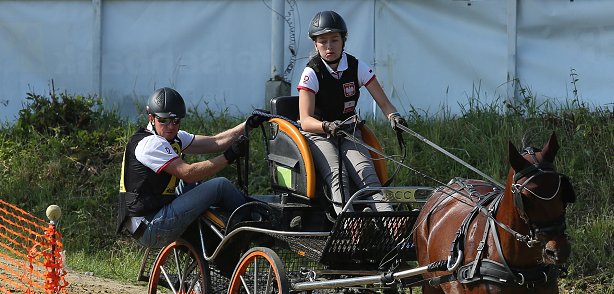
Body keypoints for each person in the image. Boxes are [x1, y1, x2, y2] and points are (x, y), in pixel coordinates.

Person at [117, 86, 267, 248]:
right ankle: (254, 224)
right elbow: (188, 173)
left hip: (153, 217)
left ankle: (229, 228)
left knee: (191, 187)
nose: (171, 126)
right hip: (151, 227)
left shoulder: (172, 137)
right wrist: (228, 157)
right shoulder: (151, 144)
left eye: (176, 121)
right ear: (151, 118)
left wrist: (248, 125)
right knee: (220, 186)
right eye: (164, 120)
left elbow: (215, 142)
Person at [296, 10, 408, 214]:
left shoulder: (357, 67)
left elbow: (384, 103)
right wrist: (327, 126)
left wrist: (395, 117)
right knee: (337, 175)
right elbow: (305, 121)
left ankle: (391, 224)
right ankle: (349, 226)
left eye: (334, 40)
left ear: (343, 40)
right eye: (322, 41)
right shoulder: (311, 72)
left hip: (349, 132)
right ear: (315, 44)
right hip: (319, 135)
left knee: (368, 175)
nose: (329, 46)